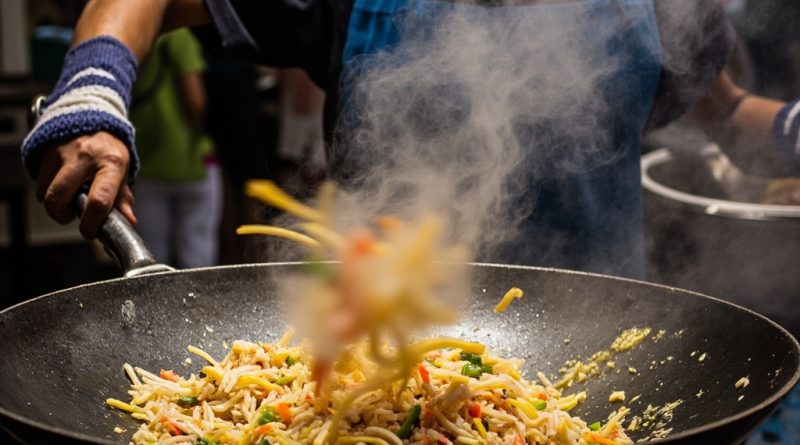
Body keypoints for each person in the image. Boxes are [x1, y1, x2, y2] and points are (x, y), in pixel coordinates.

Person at [20, 0, 799, 277]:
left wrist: (790, 128)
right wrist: (94, 83)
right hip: (377, 351)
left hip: (599, 357)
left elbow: (728, 114)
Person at [128, 28, 221, 268]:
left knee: (152, 255)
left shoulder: (129, 33)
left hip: (143, 160)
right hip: (190, 159)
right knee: (197, 249)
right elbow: (196, 101)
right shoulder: (179, 34)